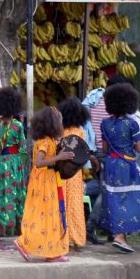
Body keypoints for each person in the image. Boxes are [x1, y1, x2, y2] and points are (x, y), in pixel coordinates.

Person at [15, 107, 73, 263]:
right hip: (44, 182)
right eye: (59, 120)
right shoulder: (45, 142)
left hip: (49, 180)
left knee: (50, 216)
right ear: (52, 124)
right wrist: (59, 157)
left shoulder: (49, 140)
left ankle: (52, 251)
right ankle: (24, 243)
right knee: (44, 215)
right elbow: (39, 163)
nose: (61, 123)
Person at [100, 82, 140, 253]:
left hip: (111, 164)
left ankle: (119, 235)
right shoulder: (132, 124)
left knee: (113, 197)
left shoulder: (104, 123)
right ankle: (120, 236)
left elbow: (104, 149)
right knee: (128, 198)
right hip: (127, 165)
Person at [0, 87, 25, 250]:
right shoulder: (17, 125)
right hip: (14, 164)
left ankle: (15, 237)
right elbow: (22, 147)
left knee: (4, 198)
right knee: (14, 198)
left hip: (0, 163)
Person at [58, 98, 89, 249]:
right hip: (75, 173)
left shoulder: (60, 132)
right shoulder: (80, 132)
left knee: (61, 203)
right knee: (75, 205)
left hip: (61, 172)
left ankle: (62, 237)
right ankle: (77, 238)